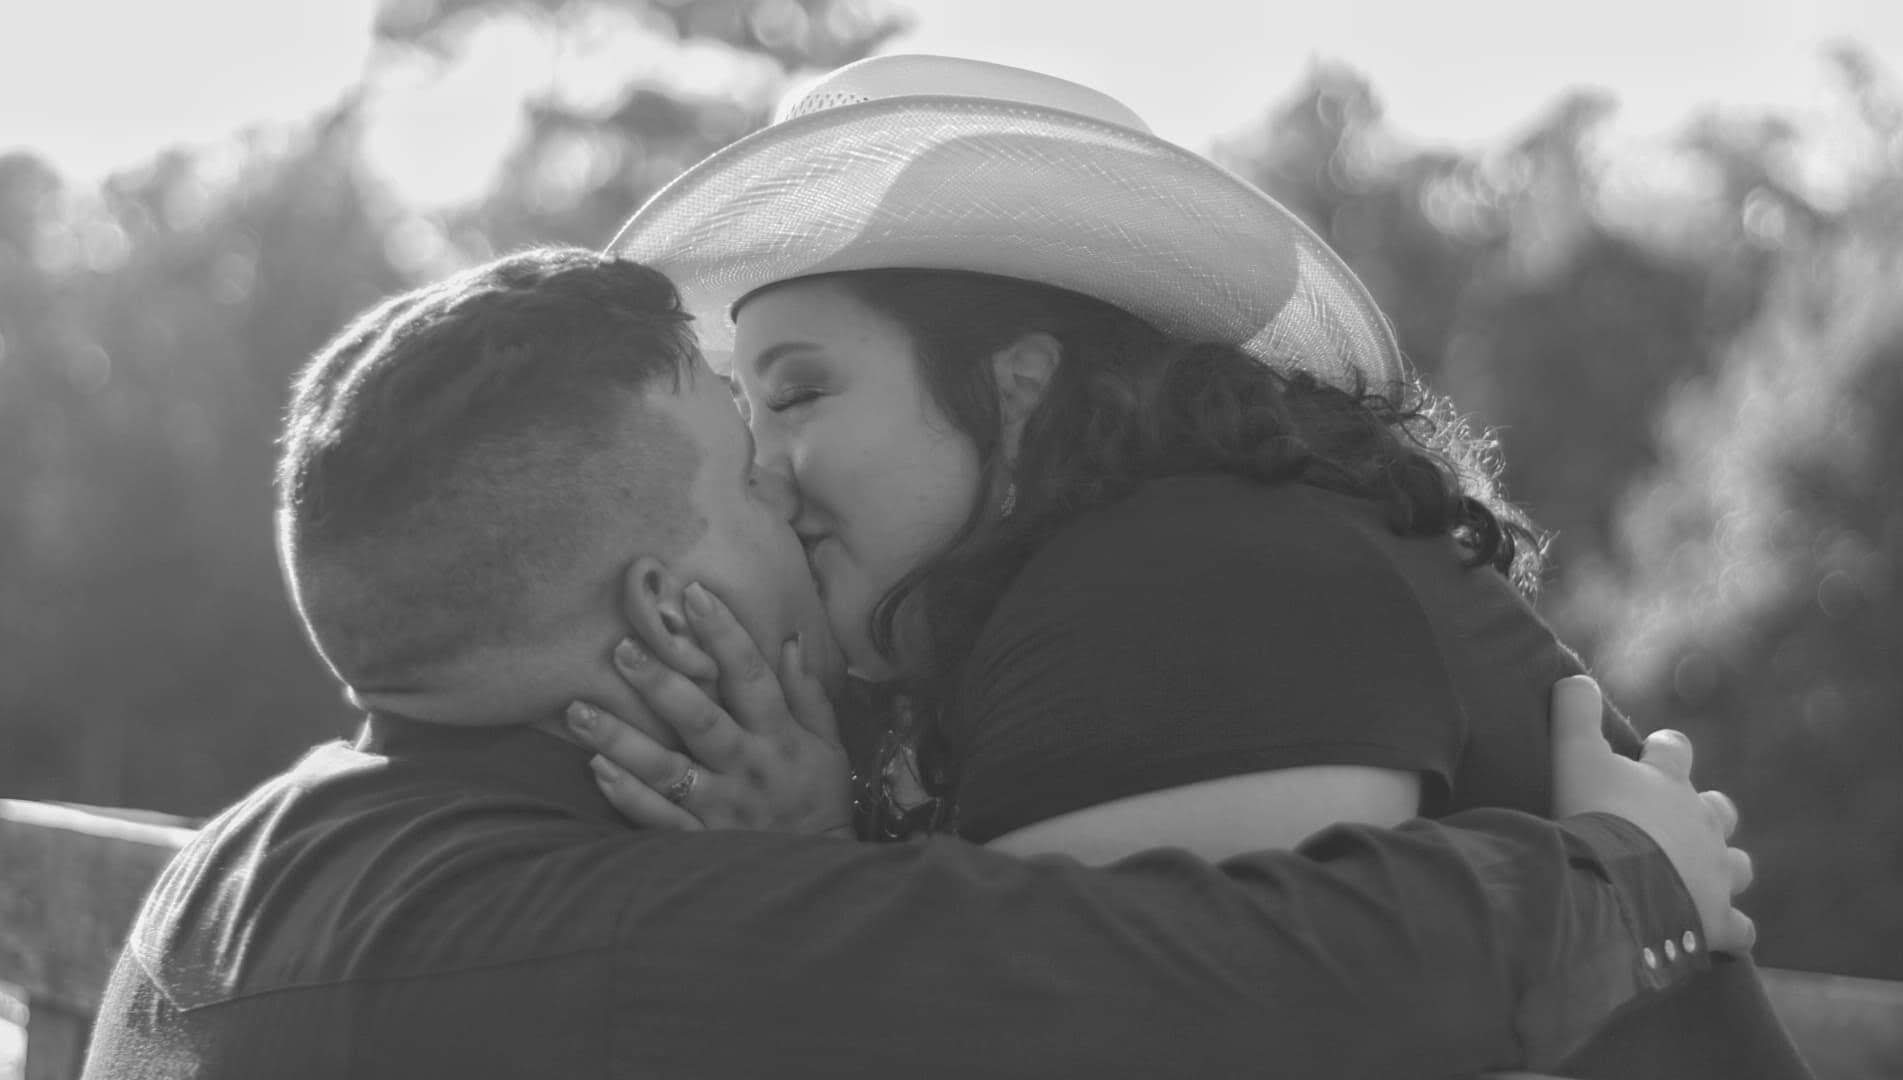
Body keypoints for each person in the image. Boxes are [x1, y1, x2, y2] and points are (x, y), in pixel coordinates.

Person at [81, 247, 1746, 1080]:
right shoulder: (631, 941)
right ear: (668, 607)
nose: (788, 492)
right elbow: (1244, 981)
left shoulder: (235, 869)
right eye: (748, 471)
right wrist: (1629, 874)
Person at [593, 55, 1807, 1077]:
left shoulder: (1185, 580)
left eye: (799, 393)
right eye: (746, 413)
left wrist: (1628, 889)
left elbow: (1112, 1032)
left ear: (1019, 391)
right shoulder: (1121, 578)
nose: (762, 471)